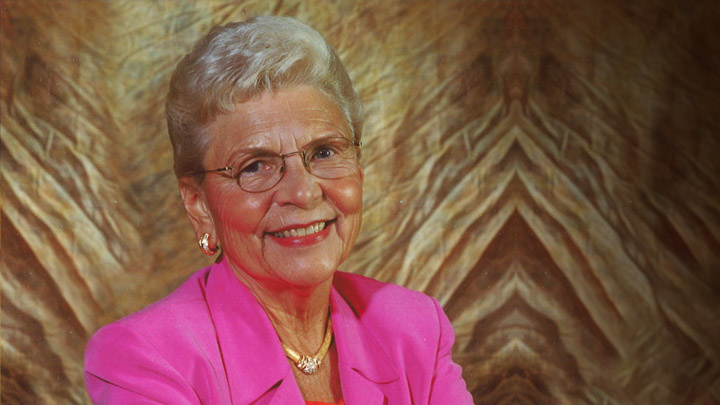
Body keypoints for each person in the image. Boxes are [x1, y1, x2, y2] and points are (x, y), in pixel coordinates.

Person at [84, 16, 472, 404]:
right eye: (255, 166)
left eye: (323, 152)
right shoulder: (144, 358)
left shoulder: (414, 327)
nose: (302, 192)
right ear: (199, 204)